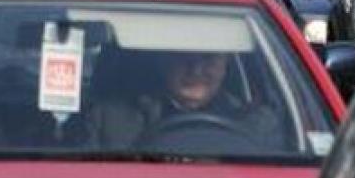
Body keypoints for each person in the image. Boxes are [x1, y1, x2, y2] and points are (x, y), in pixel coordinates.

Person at [84, 51, 280, 151]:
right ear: (162, 62)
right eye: (184, 58)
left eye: (209, 59)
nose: (196, 70)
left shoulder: (257, 126)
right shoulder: (109, 120)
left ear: (225, 65)